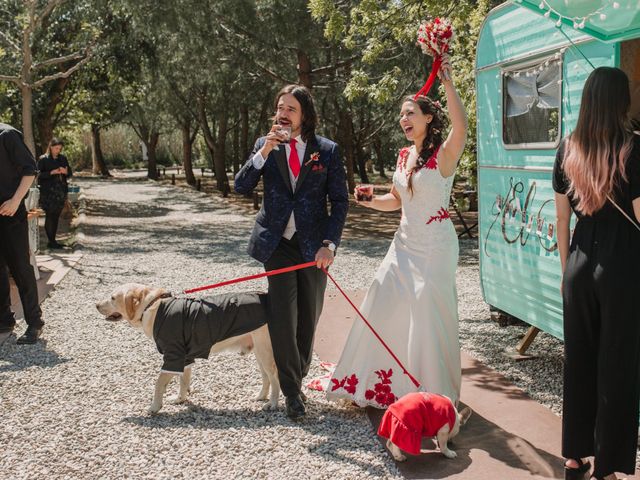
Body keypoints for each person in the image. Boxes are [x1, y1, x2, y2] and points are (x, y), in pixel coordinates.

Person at [325, 55, 467, 408]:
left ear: (429, 118)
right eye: (401, 115)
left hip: (435, 246)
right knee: (382, 297)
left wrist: (447, 81)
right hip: (403, 244)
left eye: (410, 113)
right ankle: (381, 382)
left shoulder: (445, 155)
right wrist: (372, 201)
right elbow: (398, 200)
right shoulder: (404, 156)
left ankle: (432, 396)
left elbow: (461, 126)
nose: (403, 119)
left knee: (425, 312)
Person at [234, 85, 349, 419]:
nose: (283, 113)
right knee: (283, 318)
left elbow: (340, 201)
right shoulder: (263, 146)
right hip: (277, 245)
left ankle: (296, 375)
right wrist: (264, 152)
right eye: (279, 107)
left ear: (304, 115)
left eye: (291, 109)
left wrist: (329, 244)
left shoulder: (326, 150)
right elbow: (241, 186)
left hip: (314, 248)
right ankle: (292, 392)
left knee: (308, 319)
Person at [553, 67, 640, 480]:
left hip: (578, 263)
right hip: (622, 265)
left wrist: (565, 270)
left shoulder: (567, 147)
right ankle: (609, 465)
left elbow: (560, 220)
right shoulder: (635, 148)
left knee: (580, 360)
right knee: (618, 364)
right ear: (620, 101)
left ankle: (574, 456)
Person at [0, 123, 45, 344]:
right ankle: (5, 320)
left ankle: (35, 323)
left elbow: (30, 170)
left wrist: (16, 200)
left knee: (20, 268)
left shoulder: (7, 135)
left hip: (10, 213)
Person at [38, 137, 72, 249]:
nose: (58, 150)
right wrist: (51, 172)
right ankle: (51, 241)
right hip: (47, 192)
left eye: (60, 148)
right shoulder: (43, 159)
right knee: (49, 215)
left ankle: (53, 241)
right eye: (56, 148)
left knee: (56, 216)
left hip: (60, 191)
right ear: (51, 147)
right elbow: (38, 175)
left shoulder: (63, 158)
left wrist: (65, 172)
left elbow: (70, 173)